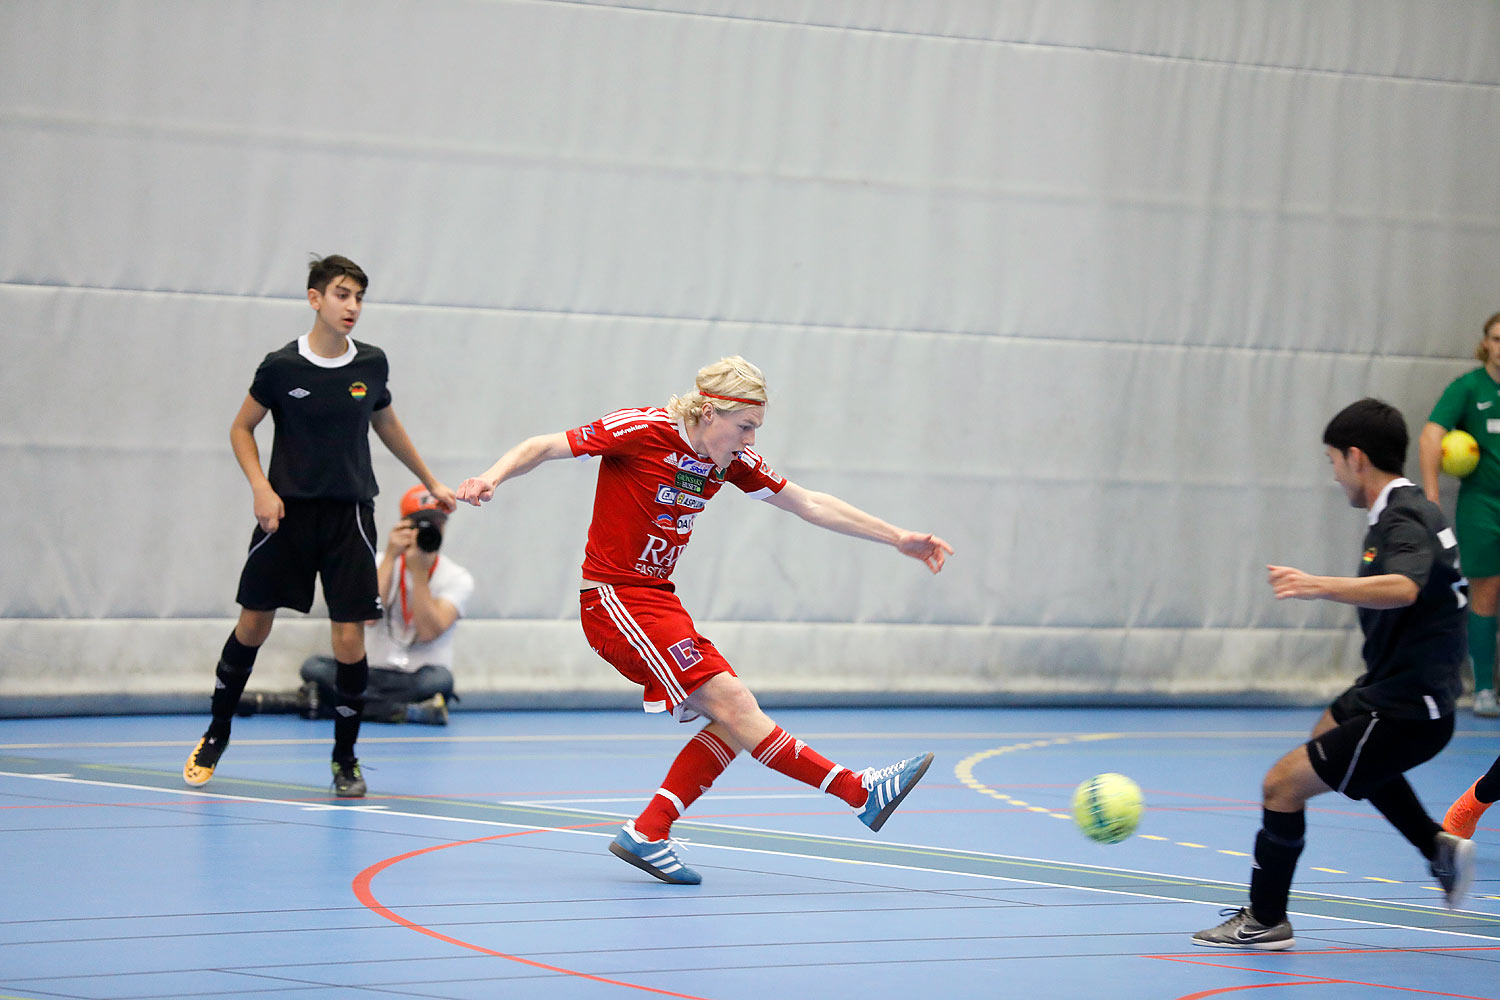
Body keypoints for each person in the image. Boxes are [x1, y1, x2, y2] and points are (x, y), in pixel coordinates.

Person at [456, 356, 953, 884]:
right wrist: (491, 478)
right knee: (737, 706)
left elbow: (808, 503)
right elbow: (544, 445)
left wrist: (897, 537)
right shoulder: (642, 430)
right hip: (614, 600)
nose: (751, 442)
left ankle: (648, 831)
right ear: (708, 412)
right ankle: (858, 791)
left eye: (756, 429)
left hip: (658, 600)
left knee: (737, 721)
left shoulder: (727, 459)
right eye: (745, 427)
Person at [1192, 398, 1474, 951]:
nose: (1334, 474)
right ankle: (1436, 848)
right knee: (1328, 732)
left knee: (1281, 784)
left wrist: (1317, 584)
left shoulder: (1401, 520)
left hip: (1409, 707)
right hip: (1400, 689)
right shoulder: (1409, 509)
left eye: (1333, 462)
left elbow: (1406, 586)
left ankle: (1266, 919)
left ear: (1356, 457)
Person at [183, 255, 455, 798]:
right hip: (286, 516)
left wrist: (431, 479)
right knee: (253, 626)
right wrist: (261, 487)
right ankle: (217, 731)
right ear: (315, 299)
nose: (351, 306)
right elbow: (241, 428)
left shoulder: (371, 364)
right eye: (341, 294)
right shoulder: (282, 367)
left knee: (349, 638)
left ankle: (346, 758)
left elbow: (387, 424)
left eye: (358, 296)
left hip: (350, 516)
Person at [299, 484, 474, 725]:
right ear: (403, 526)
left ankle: (341, 707)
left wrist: (419, 574)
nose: (427, 530)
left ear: (444, 527)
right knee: (314, 668)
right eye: (419, 524)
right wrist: (391, 558)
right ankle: (404, 710)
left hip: (418, 675)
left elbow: (428, 632)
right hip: (369, 671)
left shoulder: (457, 577)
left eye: (435, 524)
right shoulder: (379, 561)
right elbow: (367, 617)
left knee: (441, 681)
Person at [1419, 311, 1500, 717]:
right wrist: (1432, 496)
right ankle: (1484, 690)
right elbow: (1432, 434)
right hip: (1482, 505)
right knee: (1486, 591)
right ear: (1485, 343)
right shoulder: (1469, 388)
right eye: (1498, 338)